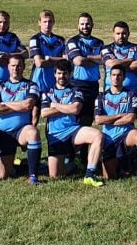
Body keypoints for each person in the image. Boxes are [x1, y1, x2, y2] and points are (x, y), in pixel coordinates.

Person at [41, 59, 105, 187]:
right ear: (54, 74)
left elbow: (75, 109)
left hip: (73, 131)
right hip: (56, 134)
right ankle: (71, 165)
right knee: (55, 176)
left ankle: (89, 174)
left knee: (97, 135)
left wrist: (55, 105)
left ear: (70, 74)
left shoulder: (76, 90)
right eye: (59, 73)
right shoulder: (47, 92)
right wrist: (66, 107)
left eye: (65, 73)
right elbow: (44, 113)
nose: (62, 76)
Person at [0, 54, 43, 184]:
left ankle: (33, 176)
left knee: (33, 133)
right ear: (8, 67)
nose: (15, 69)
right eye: (13, 66)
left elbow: (27, 105)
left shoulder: (32, 85)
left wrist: (4, 104)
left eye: (19, 66)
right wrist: (18, 105)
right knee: (4, 175)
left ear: (23, 67)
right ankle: (23, 165)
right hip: (3, 132)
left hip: (21, 130)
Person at [94, 63, 137, 187]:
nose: (116, 77)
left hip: (126, 133)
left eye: (119, 75)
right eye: (113, 75)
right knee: (109, 177)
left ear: (124, 77)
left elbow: (131, 117)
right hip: (108, 138)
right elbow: (98, 120)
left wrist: (108, 120)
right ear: (109, 77)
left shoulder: (131, 95)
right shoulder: (101, 97)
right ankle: (125, 165)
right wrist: (119, 115)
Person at [66, 12, 104, 126]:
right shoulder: (72, 41)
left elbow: (104, 60)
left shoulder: (99, 43)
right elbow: (78, 61)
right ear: (78, 26)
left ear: (92, 25)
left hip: (93, 85)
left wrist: (86, 57)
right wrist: (95, 59)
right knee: (77, 119)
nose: (85, 26)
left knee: (88, 120)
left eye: (87, 24)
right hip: (77, 84)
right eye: (82, 24)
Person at [28, 9, 68, 95]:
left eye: (50, 21)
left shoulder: (60, 40)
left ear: (53, 22)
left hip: (56, 84)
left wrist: (49, 59)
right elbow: (39, 63)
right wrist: (59, 61)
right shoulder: (35, 40)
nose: (47, 24)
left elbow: (66, 62)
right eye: (44, 22)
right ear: (39, 23)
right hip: (39, 84)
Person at [101, 21, 137, 91]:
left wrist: (118, 63)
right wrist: (130, 60)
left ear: (128, 34)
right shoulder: (106, 48)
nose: (121, 36)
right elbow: (112, 64)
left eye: (123, 33)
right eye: (118, 34)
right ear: (113, 34)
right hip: (110, 94)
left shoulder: (136, 48)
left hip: (131, 93)